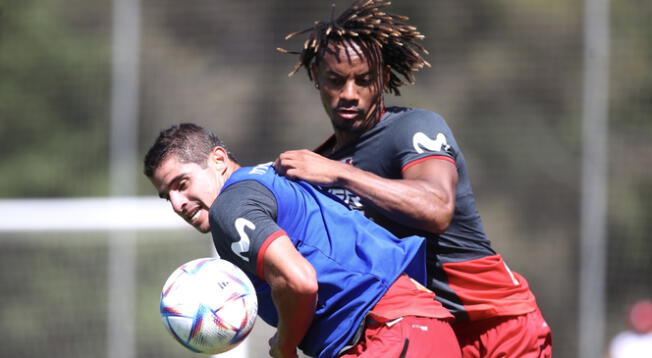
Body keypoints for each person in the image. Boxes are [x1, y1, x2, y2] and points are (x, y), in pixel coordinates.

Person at [274, 1, 552, 357]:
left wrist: (341, 175)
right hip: (430, 333)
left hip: (499, 327)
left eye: (364, 80)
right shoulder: (324, 164)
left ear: (384, 79)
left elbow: (437, 208)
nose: (349, 93)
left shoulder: (412, 128)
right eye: (335, 79)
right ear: (316, 76)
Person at [144, 123, 461, 358]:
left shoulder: (229, 208)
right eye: (166, 195)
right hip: (417, 327)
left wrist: (284, 344)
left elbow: (299, 281)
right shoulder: (272, 179)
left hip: (388, 336)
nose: (177, 203)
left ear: (218, 159)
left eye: (181, 183)